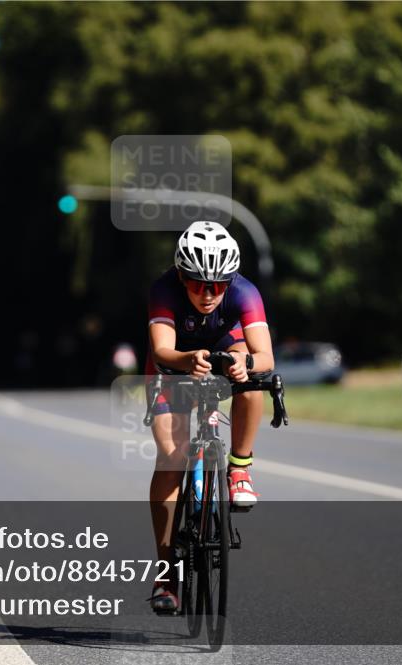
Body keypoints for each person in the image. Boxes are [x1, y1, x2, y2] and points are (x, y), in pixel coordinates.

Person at [145, 221, 274, 612]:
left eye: (217, 285)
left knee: (254, 382)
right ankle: (167, 574)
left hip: (223, 348)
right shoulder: (164, 290)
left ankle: (238, 467)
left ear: (229, 281)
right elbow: (162, 350)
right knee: (172, 458)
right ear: (182, 276)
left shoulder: (245, 292)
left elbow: (265, 357)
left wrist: (243, 362)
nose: (207, 294)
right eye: (198, 283)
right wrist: (188, 360)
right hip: (175, 362)